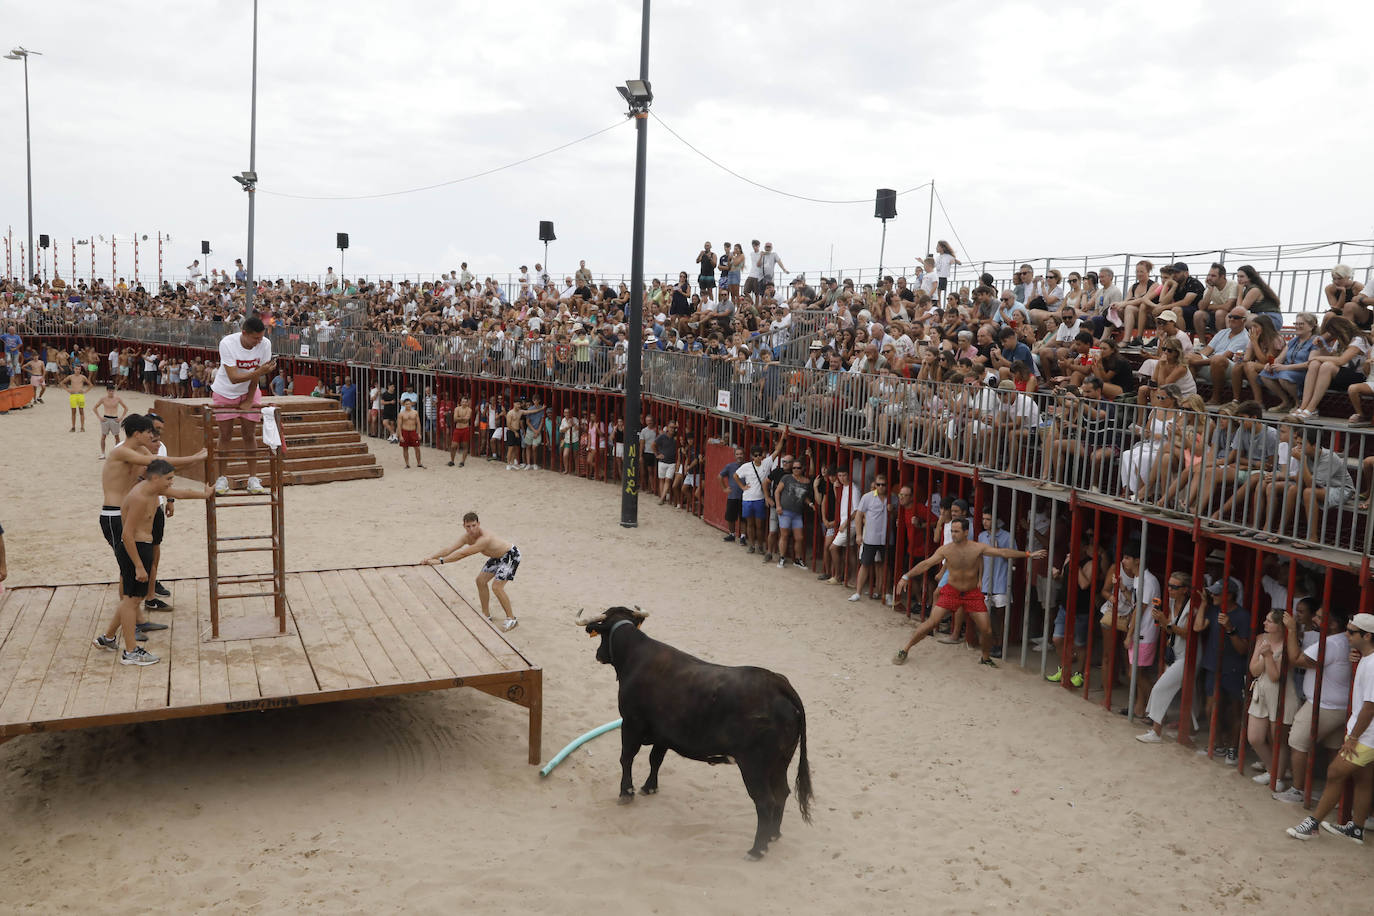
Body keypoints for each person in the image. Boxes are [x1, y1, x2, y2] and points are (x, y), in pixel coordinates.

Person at [92, 459, 211, 666]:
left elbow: (180, 493)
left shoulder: (151, 489)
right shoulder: (139, 497)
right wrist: (138, 565)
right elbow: (127, 534)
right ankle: (130, 652)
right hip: (135, 549)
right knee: (131, 601)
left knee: (131, 599)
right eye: (169, 479)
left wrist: (205, 494)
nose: (171, 483)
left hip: (140, 548)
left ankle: (108, 637)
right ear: (155, 478)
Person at [892, 517, 1045, 667]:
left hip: (972, 594)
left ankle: (985, 658)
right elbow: (926, 564)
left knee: (986, 629)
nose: (953, 534)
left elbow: (1003, 552)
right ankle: (905, 649)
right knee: (931, 622)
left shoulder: (977, 548)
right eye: (952, 531)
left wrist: (1027, 554)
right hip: (952, 592)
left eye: (957, 531)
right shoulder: (946, 549)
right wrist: (906, 576)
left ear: (966, 532)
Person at [1285, 612, 1374, 843]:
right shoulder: (1366, 657)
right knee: (1364, 779)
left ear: (1367, 636)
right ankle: (1357, 828)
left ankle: (1312, 824)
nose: (1347, 634)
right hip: (1365, 733)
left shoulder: (1373, 664)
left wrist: (1353, 736)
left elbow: (1370, 708)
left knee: (1334, 773)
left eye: (1352, 632)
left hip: (1367, 735)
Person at [1273, 603, 1353, 805]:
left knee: (1297, 743)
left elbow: (1296, 659)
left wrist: (1291, 629)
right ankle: (1333, 795)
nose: (1314, 620)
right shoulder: (1345, 640)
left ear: (1333, 624)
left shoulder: (1331, 643)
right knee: (1333, 749)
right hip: (1342, 706)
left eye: (1319, 617)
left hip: (1323, 705)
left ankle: (1298, 791)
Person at [422, 511, 521, 631]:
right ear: (464, 526)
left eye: (474, 525)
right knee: (480, 581)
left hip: (510, 555)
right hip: (497, 557)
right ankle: (486, 615)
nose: (471, 529)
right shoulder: (466, 537)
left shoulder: (485, 539)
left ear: (478, 524)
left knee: (497, 587)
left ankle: (511, 619)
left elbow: (463, 554)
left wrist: (441, 561)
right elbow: (450, 549)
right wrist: (431, 558)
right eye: (468, 526)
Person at [209, 316, 276, 495]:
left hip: (249, 391)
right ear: (244, 333)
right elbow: (233, 377)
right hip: (225, 391)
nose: (258, 342)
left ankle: (253, 478)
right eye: (255, 338)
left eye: (261, 338)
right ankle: (221, 478)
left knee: (249, 434)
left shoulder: (265, 344)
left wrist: (249, 398)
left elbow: (256, 375)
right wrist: (259, 371)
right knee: (225, 435)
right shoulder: (227, 343)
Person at [1246, 608, 1299, 790]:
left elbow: (1275, 676)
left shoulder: (1288, 644)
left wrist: (1268, 655)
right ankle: (1272, 770)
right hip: (1261, 691)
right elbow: (1253, 670)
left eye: (1269, 621)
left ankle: (1277, 776)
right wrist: (1265, 656)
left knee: (1279, 740)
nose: (1265, 623)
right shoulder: (1262, 638)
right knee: (1255, 737)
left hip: (1281, 692)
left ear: (1279, 626)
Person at [847, 473, 890, 603]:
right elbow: (859, 516)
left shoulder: (892, 498)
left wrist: (893, 511)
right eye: (878, 485)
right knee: (865, 564)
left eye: (883, 485)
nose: (881, 487)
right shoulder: (868, 497)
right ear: (875, 485)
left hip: (886, 538)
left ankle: (885, 593)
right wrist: (859, 535)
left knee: (884, 566)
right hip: (871, 537)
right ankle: (858, 592)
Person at [773, 460, 812, 569]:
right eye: (794, 468)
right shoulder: (786, 478)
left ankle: (798, 559)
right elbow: (777, 491)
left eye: (798, 468)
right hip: (785, 511)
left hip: (797, 513)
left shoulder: (806, 481)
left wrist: (810, 503)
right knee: (784, 535)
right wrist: (778, 506)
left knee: (799, 537)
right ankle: (782, 557)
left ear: (802, 469)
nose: (795, 470)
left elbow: (804, 497)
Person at [719, 444, 746, 544]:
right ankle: (732, 534)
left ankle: (743, 536)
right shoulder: (730, 466)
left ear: (744, 455)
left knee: (743, 517)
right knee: (731, 517)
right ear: (735, 456)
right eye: (737, 454)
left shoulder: (748, 466)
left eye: (741, 454)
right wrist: (724, 488)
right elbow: (720, 476)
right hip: (733, 496)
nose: (739, 456)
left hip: (745, 496)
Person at [94, 385, 128, 459]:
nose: (111, 392)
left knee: (117, 437)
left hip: (114, 418)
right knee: (103, 436)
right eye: (109, 391)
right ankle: (103, 453)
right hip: (106, 418)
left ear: (114, 391)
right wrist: (99, 417)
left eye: (112, 391)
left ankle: (117, 453)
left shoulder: (118, 398)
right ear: (107, 391)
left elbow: (126, 408)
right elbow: (95, 408)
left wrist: (121, 418)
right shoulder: (103, 399)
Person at [60, 365, 94, 433]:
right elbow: (62, 383)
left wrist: (85, 391)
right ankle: (73, 427)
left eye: (79, 369)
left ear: (80, 370)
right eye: (76, 369)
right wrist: (68, 390)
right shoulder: (71, 377)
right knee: (73, 412)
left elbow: (91, 385)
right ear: (74, 369)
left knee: (81, 411)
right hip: (73, 395)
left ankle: (82, 427)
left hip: (80, 395)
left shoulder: (83, 377)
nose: (77, 370)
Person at [654, 419, 679, 504]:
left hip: (672, 463)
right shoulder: (662, 436)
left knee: (667, 480)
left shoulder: (677, 437)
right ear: (667, 427)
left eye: (674, 427)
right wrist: (657, 454)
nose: (672, 429)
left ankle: (662, 498)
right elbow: (653, 445)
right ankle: (662, 497)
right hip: (662, 461)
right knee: (661, 480)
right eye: (671, 427)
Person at [397, 398, 424, 468]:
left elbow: (418, 423)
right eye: (406, 404)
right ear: (404, 405)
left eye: (409, 404)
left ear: (411, 404)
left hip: (413, 431)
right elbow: (399, 425)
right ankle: (407, 464)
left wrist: (419, 433)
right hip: (405, 431)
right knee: (405, 448)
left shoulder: (415, 412)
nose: (407, 405)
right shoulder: (401, 414)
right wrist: (400, 435)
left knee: (417, 448)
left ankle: (419, 463)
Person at [448, 394, 472, 467]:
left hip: (465, 429)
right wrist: (462, 418)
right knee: (453, 446)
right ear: (461, 402)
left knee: (465, 446)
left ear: (467, 403)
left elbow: (467, 419)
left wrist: (459, 418)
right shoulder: (457, 408)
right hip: (458, 429)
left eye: (465, 402)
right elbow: (455, 419)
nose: (464, 403)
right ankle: (452, 460)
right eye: (462, 401)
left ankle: (462, 461)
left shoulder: (469, 410)